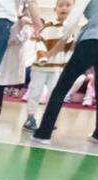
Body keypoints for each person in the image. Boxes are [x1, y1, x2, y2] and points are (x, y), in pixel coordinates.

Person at [33, 0, 98, 145]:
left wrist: (63, 38)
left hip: (91, 39)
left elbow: (73, 18)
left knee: (62, 86)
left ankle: (44, 133)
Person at [23, 0, 77, 132]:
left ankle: (49, 119)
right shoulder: (48, 27)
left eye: (68, 5)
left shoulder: (71, 29)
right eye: (61, 5)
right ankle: (30, 118)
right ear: (55, 9)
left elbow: (69, 49)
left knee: (54, 94)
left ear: (73, 9)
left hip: (56, 68)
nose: (64, 8)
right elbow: (38, 43)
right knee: (35, 92)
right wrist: (43, 56)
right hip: (40, 68)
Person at [0, 8, 35, 122]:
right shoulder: (7, 20)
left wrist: (20, 25)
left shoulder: (27, 27)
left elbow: (16, 39)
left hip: (8, 59)